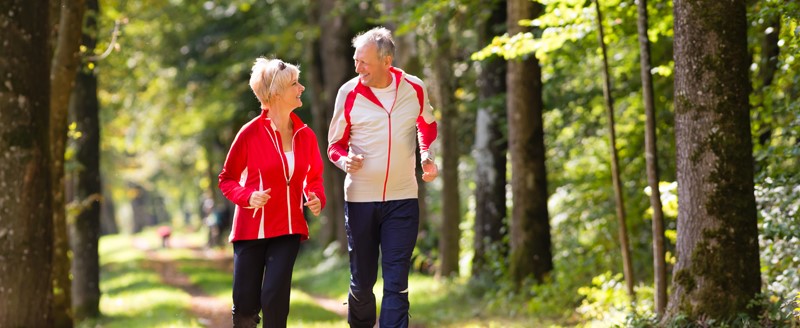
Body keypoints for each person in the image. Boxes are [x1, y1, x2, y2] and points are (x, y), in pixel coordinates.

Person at [327, 27, 439, 328]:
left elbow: (427, 124)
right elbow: (334, 146)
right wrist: (345, 160)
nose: (357, 68)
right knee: (363, 283)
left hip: (403, 199)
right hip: (361, 200)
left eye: (363, 62)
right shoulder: (348, 93)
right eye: (355, 60)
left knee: (397, 282)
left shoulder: (413, 87)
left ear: (387, 61)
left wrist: (426, 154)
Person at [219, 57, 326, 328]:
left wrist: (315, 197)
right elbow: (227, 179)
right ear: (276, 93)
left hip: (288, 228)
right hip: (251, 230)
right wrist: (248, 196)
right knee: (245, 308)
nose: (301, 88)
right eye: (295, 84)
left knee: (274, 299)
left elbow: (313, 178)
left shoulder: (305, 135)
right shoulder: (249, 134)